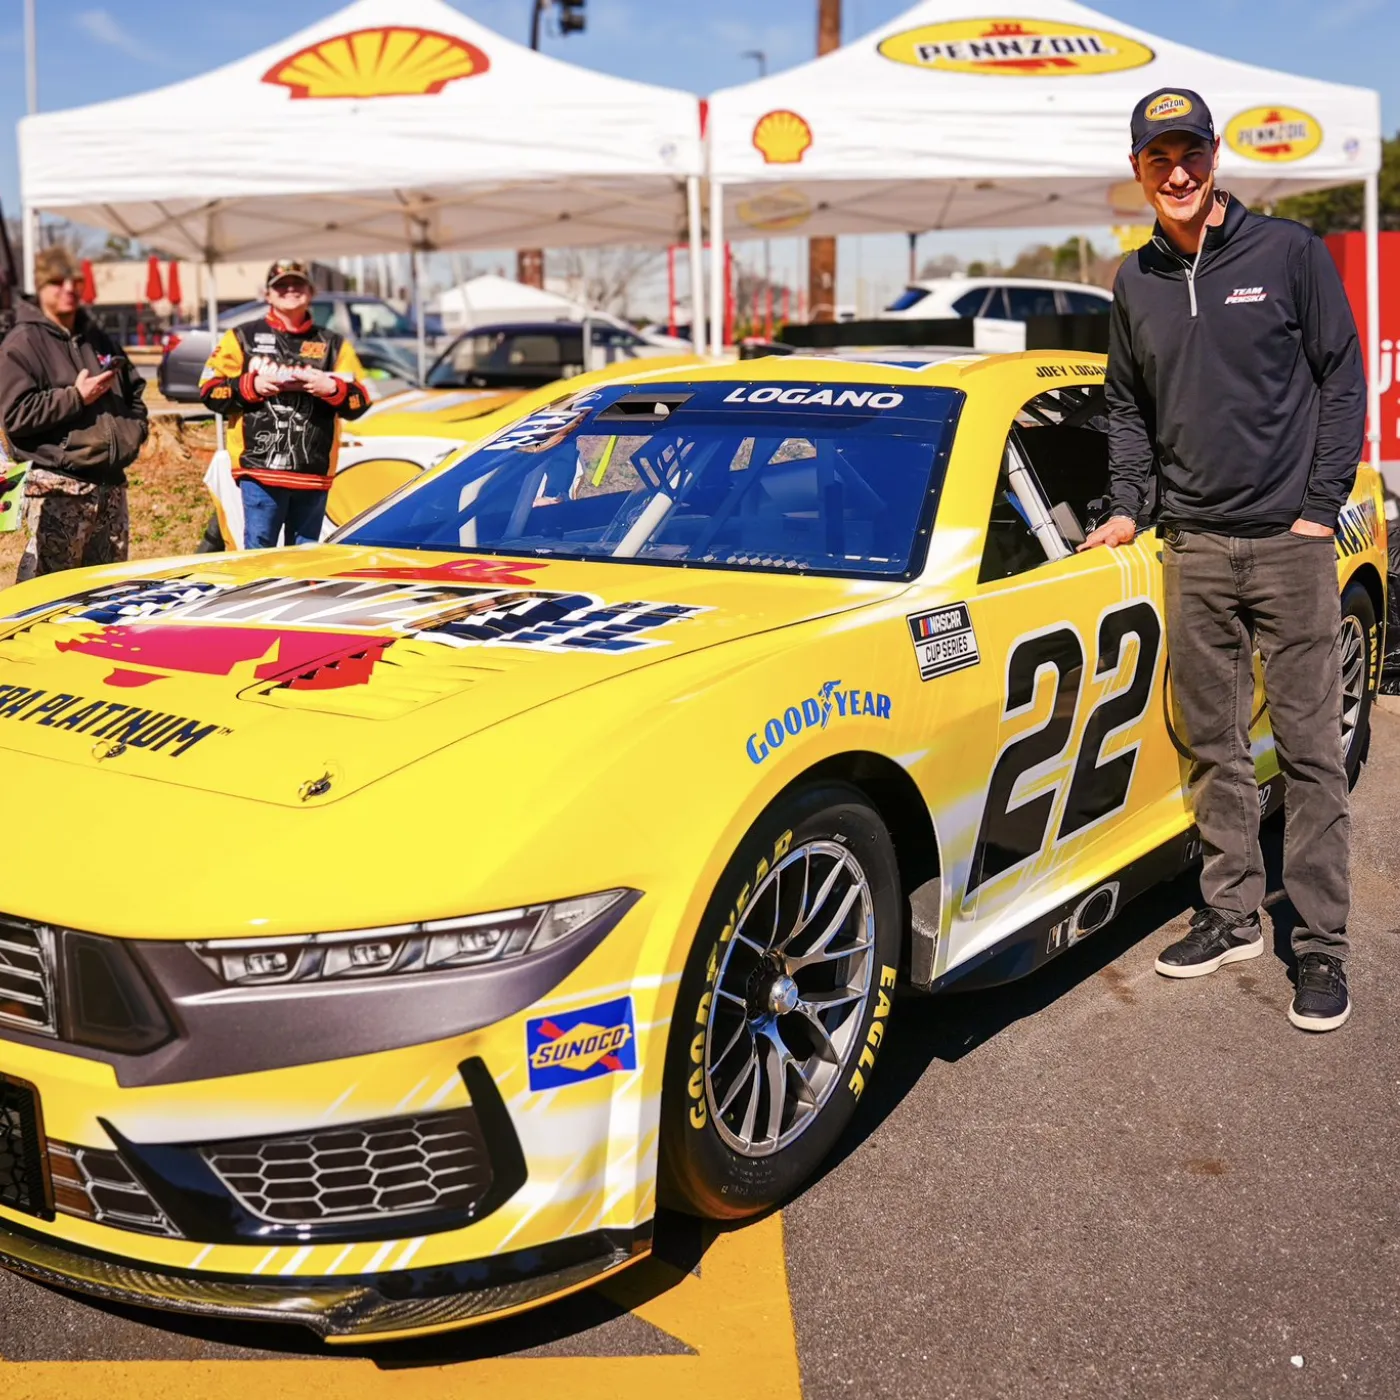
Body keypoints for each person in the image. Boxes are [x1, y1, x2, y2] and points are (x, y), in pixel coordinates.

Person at [1081, 88, 1366, 1032]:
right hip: (1192, 548)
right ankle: (1234, 913)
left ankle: (1321, 946)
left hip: (1288, 547)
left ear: (1216, 156)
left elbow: (1341, 377)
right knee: (1212, 748)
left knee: (1312, 754)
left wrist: (1319, 511)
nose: (1178, 173)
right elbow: (1126, 406)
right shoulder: (1135, 280)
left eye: (1191, 152)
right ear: (1137, 171)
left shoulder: (1288, 252)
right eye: (1159, 158)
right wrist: (1128, 510)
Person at [0, 247, 148, 580]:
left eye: (75, 281)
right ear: (40, 286)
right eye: (57, 281)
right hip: (60, 490)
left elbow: (135, 389)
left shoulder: (95, 337)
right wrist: (75, 397)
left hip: (111, 488)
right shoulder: (22, 342)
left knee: (105, 595)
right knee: (49, 594)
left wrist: (133, 433)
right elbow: (15, 417)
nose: (68, 288)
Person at [199, 259, 369, 547]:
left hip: (313, 472)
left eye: (298, 284)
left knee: (305, 558)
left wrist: (333, 388)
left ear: (311, 292)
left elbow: (361, 399)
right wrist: (250, 385)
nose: (290, 290)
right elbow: (209, 390)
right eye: (281, 286)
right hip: (259, 470)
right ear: (267, 294)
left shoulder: (333, 344)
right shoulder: (241, 337)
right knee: (259, 553)